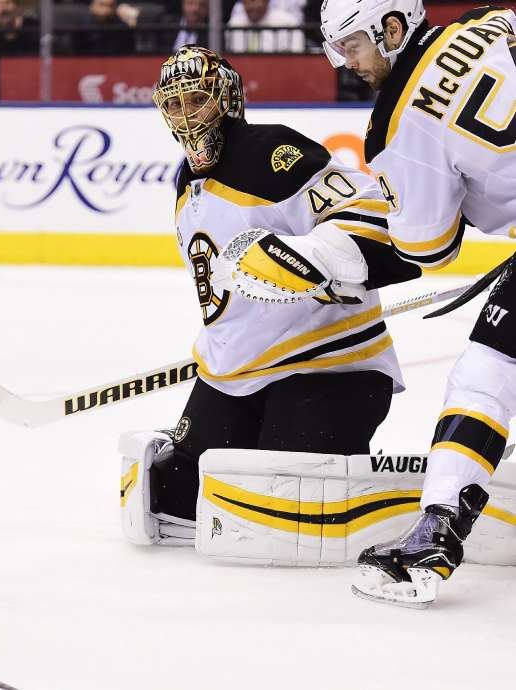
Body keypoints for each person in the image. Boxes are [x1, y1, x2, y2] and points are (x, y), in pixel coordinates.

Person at [119, 46, 420, 547]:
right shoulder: (186, 178)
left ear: (228, 99)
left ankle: (440, 496)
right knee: (172, 499)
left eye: (196, 99)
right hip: (237, 377)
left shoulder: (269, 151)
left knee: (283, 515)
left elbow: (374, 214)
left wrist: (317, 256)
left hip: (329, 369)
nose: (185, 115)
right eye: (173, 105)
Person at [315, 0, 516, 606]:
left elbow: (432, 248)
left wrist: (368, 226)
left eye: (351, 44)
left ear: (392, 29)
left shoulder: (398, 126)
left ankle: (436, 533)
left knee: (487, 375)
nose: (344, 60)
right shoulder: (479, 22)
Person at [226, 0, 305, 53]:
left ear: (267, 1)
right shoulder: (234, 24)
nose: (252, 6)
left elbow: (296, 59)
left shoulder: (288, 23)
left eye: (255, 1)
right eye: (247, 1)